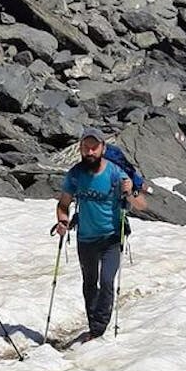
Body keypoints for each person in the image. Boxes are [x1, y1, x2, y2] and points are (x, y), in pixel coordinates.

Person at [54, 128, 148, 341]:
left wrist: (129, 192)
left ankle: (98, 329)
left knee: (106, 281)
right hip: (86, 238)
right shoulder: (75, 174)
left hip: (111, 238)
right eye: (86, 147)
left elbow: (142, 205)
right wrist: (62, 221)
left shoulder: (115, 173)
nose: (90, 152)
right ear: (80, 149)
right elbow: (63, 205)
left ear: (103, 148)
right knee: (90, 283)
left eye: (94, 147)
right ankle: (94, 325)